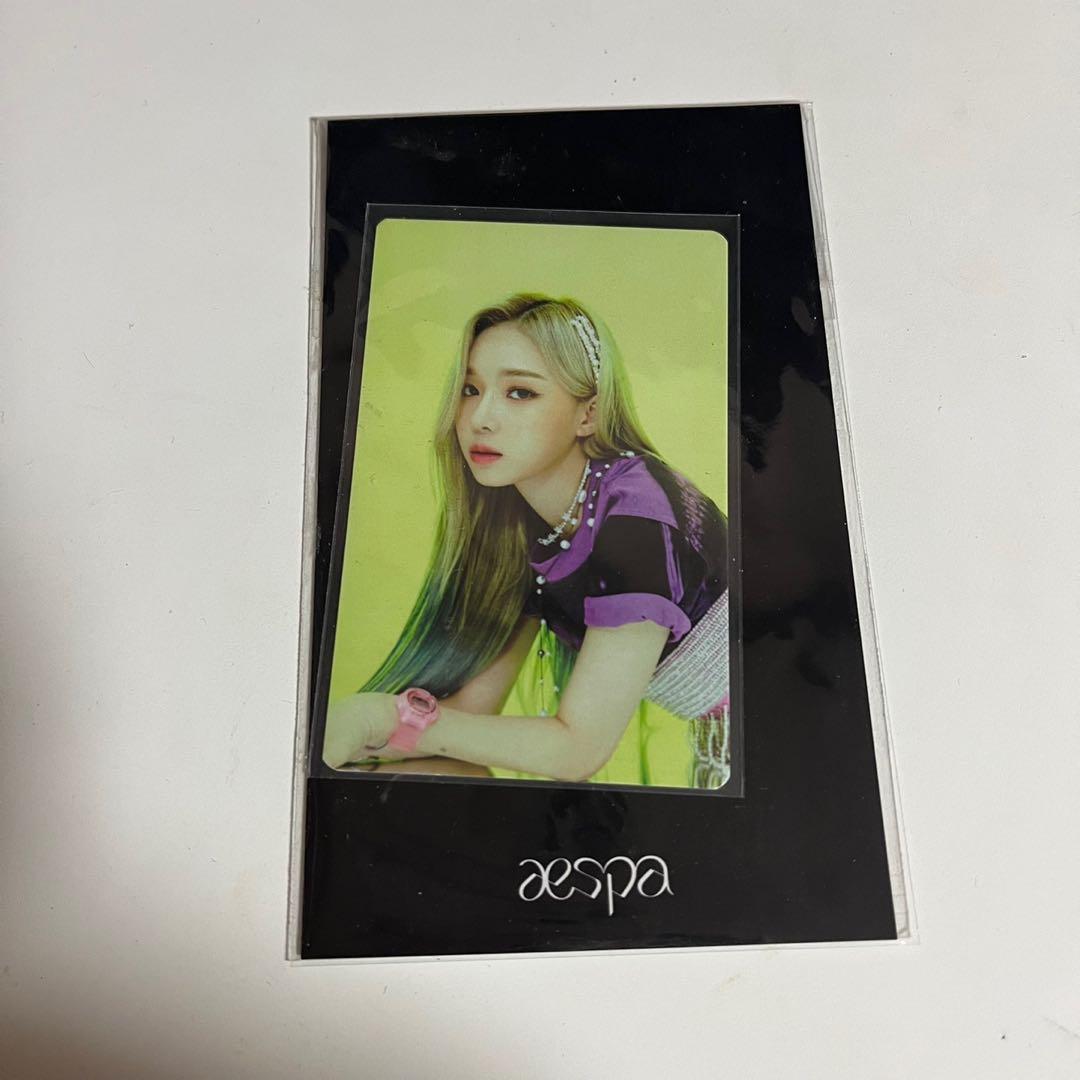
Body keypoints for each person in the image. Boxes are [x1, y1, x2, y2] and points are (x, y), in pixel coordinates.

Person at [322, 293, 731, 787]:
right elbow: (467, 719)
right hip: (726, 756)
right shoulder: (529, 531)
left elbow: (576, 750)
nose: (480, 417)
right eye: (470, 389)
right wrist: (340, 741)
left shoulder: (638, 520)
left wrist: (385, 719)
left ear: (588, 414)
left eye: (519, 392)